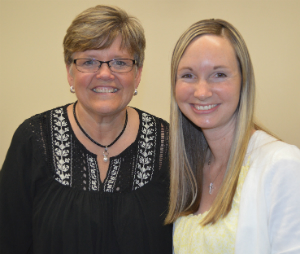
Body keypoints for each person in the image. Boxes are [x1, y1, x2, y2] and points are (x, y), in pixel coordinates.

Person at [0, 5, 172, 254]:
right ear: (70, 73)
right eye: (89, 61)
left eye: (120, 62)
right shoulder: (33, 140)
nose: (105, 74)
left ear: (138, 74)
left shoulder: (168, 145)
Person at [165, 19, 300, 253]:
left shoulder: (282, 165)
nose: (202, 91)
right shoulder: (189, 168)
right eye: (188, 75)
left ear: (243, 82)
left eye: (219, 74)